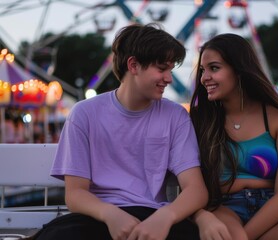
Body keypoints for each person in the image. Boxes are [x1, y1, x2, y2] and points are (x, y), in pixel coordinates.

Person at [30, 23, 208, 240]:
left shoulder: (175, 116)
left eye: (170, 70)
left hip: (152, 215)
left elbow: (196, 189)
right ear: (133, 65)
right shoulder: (84, 114)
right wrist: (110, 215)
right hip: (96, 216)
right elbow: (75, 193)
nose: (169, 78)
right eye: (162, 69)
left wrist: (166, 216)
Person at [190, 33, 278, 240]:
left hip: (274, 209)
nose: (204, 78)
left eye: (214, 68)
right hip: (225, 208)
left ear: (239, 70)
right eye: (203, 70)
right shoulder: (202, 121)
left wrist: (245, 237)